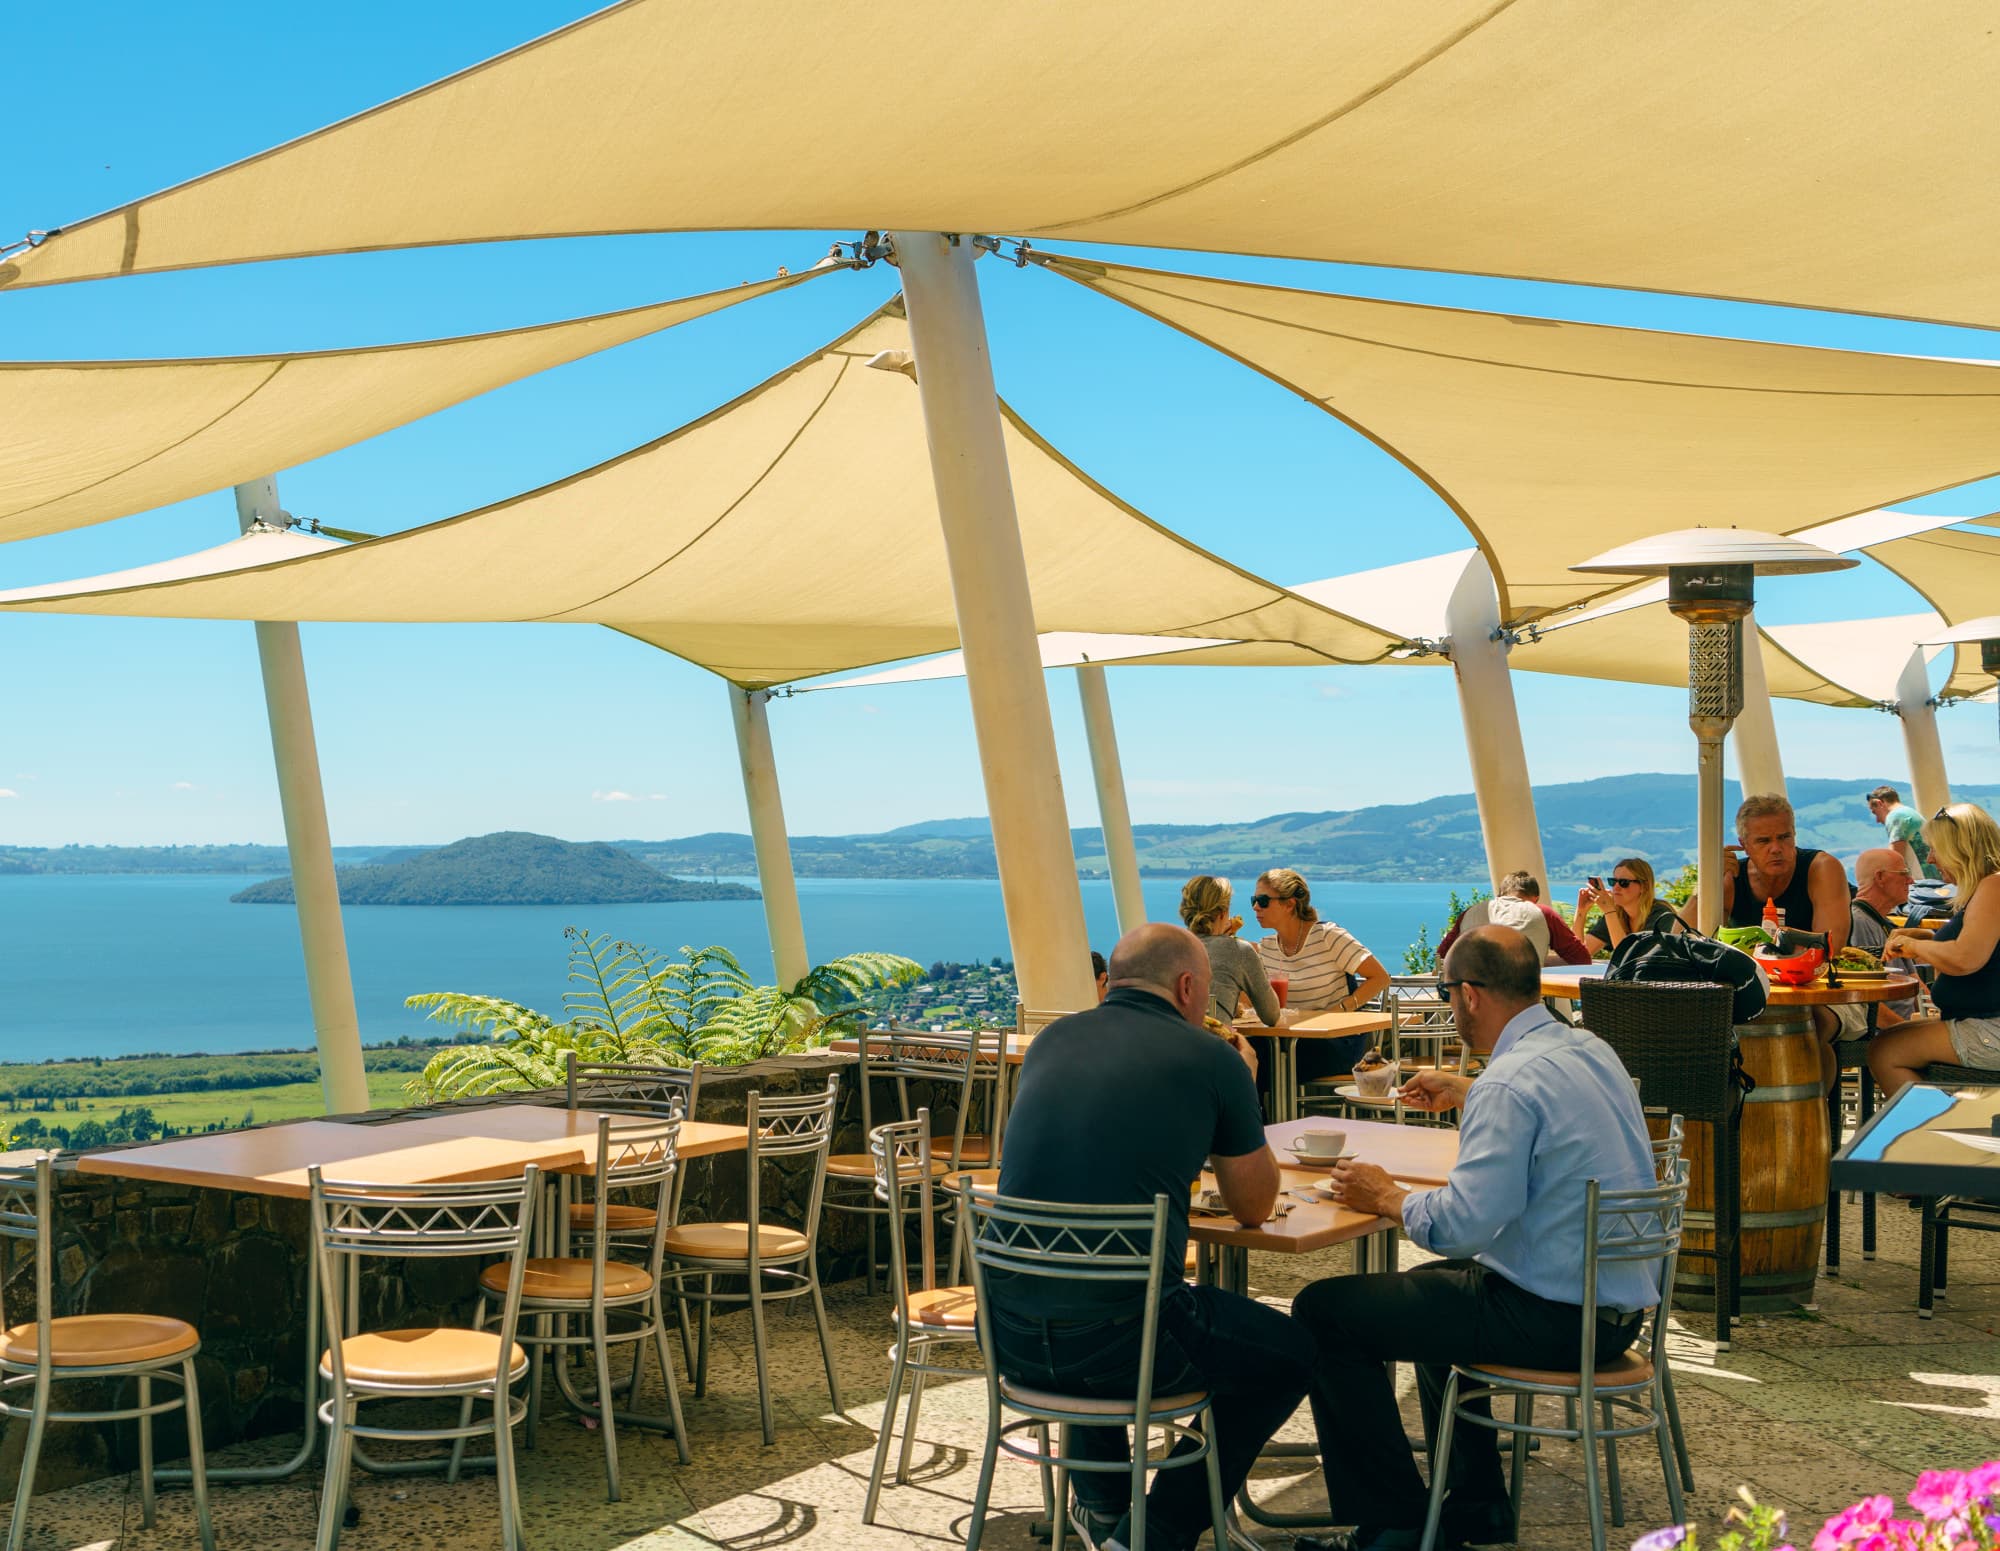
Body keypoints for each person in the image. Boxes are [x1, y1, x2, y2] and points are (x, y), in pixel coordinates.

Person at [1288, 927, 1659, 1551]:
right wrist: (1468, 1090)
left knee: (1324, 1312)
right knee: (1425, 1293)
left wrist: (1385, 1196)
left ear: (1468, 995)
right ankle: (1475, 1505)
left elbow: (1463, 1226)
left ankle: (1391, 1528)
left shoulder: (1509, 1084)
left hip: (1555, 1318)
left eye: (1446, 992)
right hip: (1616, 1310)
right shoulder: (1589, 1048)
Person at [991, 923, 1309, 1551]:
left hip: (1008, 1336)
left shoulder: (1051, 1041)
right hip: (1121, 1351)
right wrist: (1245, 1085)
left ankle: (1106, 1516)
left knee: (1094, 1293)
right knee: (1291, 1353)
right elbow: (1253, 1206)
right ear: (1188, 985)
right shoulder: (1213, 1059)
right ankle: (1156, 1532)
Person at [1867, 804, 2000, 1092]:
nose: (1930, 858)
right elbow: (1982, 947)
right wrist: (1926, 938)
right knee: (1887, 1041)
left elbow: (1965, 958)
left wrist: (1915, 946)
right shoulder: (1986, 888)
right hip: (1981, 1023)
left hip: (1992, 1030)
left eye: (1935, 849)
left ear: (1959, 849)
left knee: (1885, 1052)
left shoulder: (1994, 887)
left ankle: (1929, 1132)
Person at [1252, 868, 1392, 1080]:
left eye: (1263, 900)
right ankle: (1268, 1113)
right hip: (1290, 1038)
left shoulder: (1328, 936)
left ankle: (1270, 1113)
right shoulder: (1267, 948)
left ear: (1289, 904)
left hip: (1336, 1041)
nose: (1255, 907)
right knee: (1246, 1052)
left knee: (1268, 1059)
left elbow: (1380, 978)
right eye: (1254, 900)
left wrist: (1341, 1009)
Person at [1689, 792, 1850, 954]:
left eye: (1784, 837)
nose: (1776, 849)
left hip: (1812, 978)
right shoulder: (1731, 877)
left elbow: (1829, 948)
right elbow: (1682, 941)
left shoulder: (1820, 869)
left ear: (1794, 834)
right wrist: (1707, 883)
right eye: (1763, 841)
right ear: (1743, 844)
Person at [1180, 875, 1280, 1026]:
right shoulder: (1238, 950)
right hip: (1210, 1045)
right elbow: (1271, 1015)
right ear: (1222, 913)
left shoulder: (1169, 946)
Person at [1437, 871, 1592, 967]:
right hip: (1518, 998)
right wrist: (1540, 961)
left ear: (1499, 895)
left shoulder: (1470, 912)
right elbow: (1582, 959)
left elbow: (1442, 956)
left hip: (1471, 997)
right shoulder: (1542, 913)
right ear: (1536, 898)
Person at [1573, 856, 1684, 958]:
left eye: (1623, 882)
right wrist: (1581, 912)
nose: (1616, 888)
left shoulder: (1661, 914)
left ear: (1644, 887)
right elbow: (1579, 955)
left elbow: (1630, 958)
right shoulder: (1617, 913)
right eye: (1613, 881)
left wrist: (1609, 911)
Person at [1867, 783, 1938, 880]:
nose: (1877, 820)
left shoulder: (1896, 816)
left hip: (1923, 883)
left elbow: (1894, 858)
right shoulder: (1909, 812)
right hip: (1935, 878)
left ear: (1879, 803)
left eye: (1875, 812)